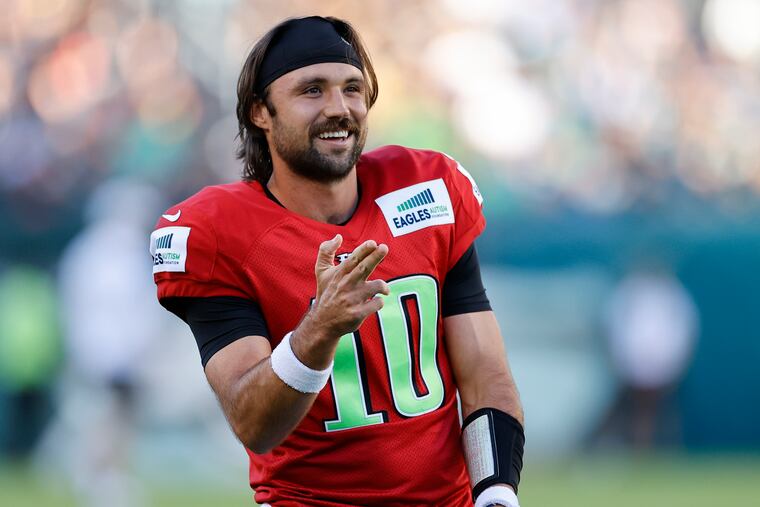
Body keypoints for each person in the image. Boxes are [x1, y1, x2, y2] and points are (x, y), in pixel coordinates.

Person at [150, 16, 524, 507]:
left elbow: (484, 374)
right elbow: (254, 423)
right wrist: (318, 330)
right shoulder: (217, 231)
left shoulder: (427, 188)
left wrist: (495, 493)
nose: (338, 108)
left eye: (352, 88)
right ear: (261, 112)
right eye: (312, 90)